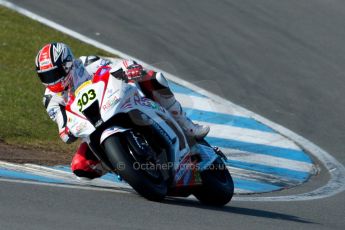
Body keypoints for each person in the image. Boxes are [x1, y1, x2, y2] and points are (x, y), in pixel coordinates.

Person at [35, 42, 210, 179]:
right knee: (80, 167)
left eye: (53, 74)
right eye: (45, 76)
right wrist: (66, 131)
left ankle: (187, 126)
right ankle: (124, 167)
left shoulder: (85, 63)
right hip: (91, 128)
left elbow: (114, 66)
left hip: (115, 103)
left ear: (66, 65)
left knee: (153, 78)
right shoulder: (50, 99)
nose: (51, 81)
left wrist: (128, 69)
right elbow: (62, 126)